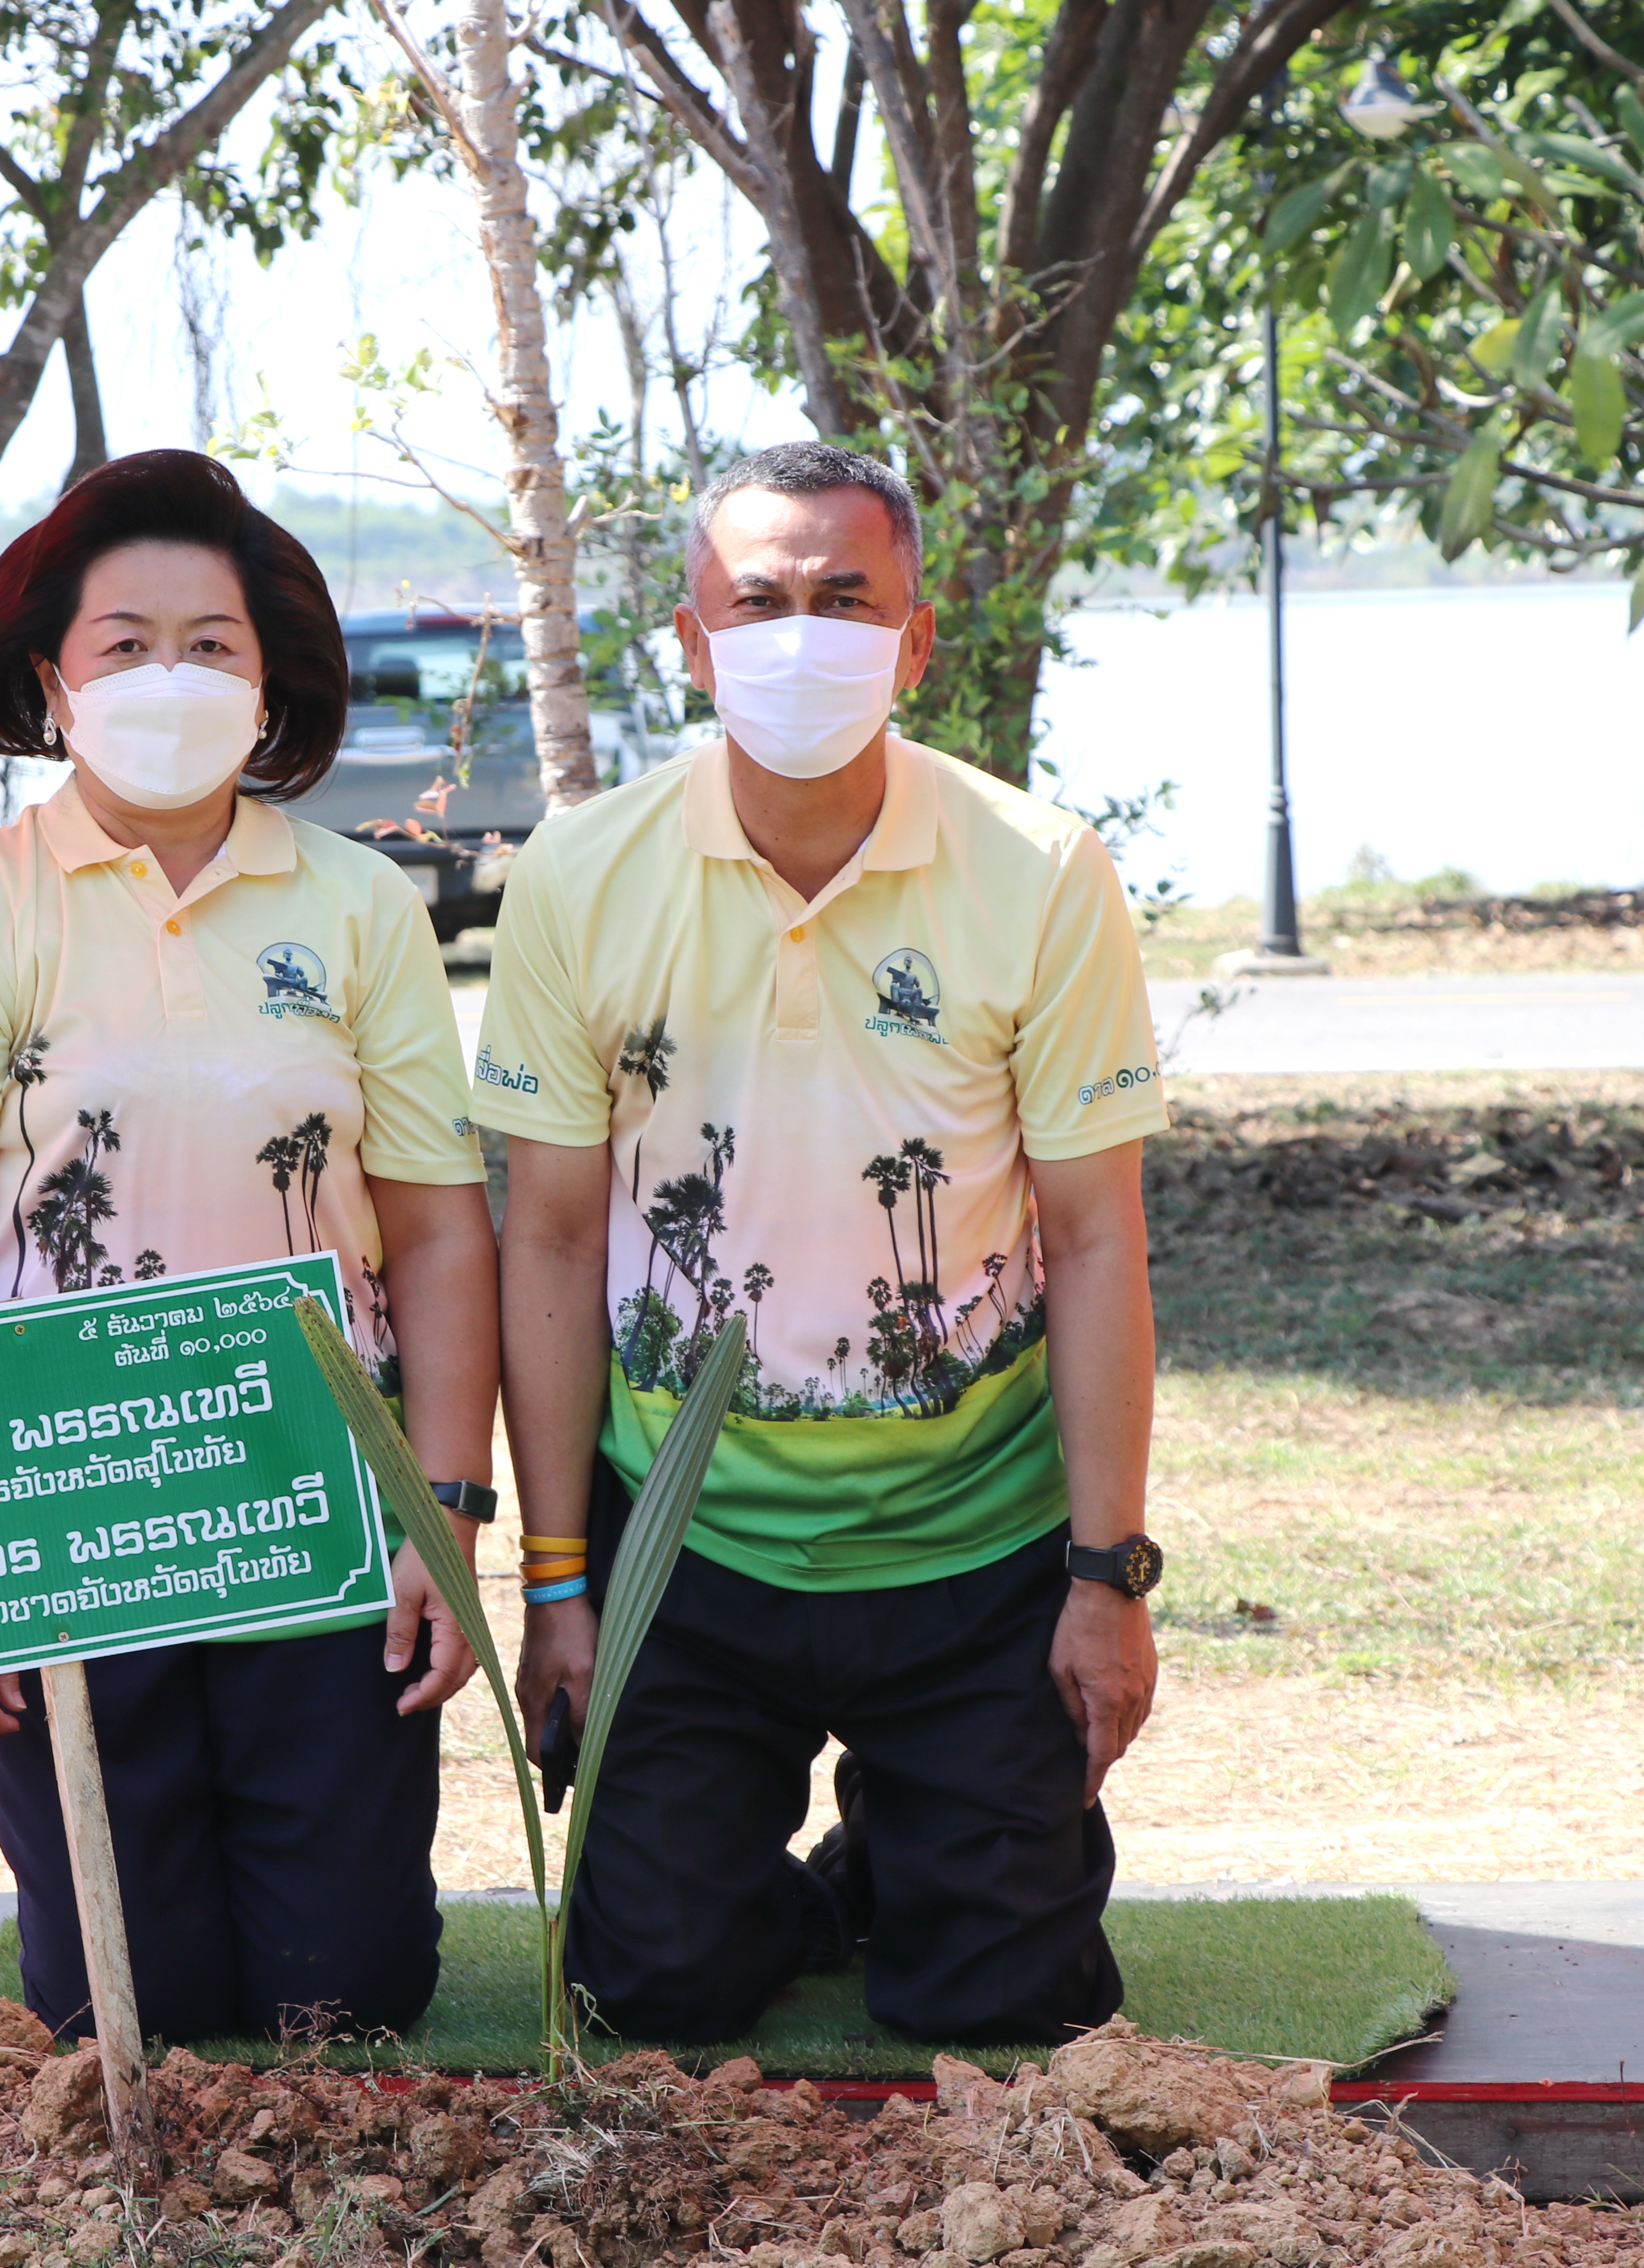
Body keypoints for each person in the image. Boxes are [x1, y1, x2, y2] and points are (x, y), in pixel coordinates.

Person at [470, 439, 1166, 2045]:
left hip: (976, 1545)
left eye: (847, 600)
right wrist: (562, 1585)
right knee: (655, 1985)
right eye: (760, 601)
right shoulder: (582, 870)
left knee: (1004, 2002)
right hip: (684, 1544)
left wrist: (1106, 1577)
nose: (803, 636)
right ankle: (842, 1873)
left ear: (915, 641)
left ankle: (943, 1846)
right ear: (692, 638)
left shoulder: (1040, 871)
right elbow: (555, 1242)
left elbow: (1098, 1243)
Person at [0, 449, 501, 2045]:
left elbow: (439, 1236)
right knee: (124, 2009)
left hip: (320, 1505)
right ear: (48, 682)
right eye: (124, 643)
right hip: (70, 1509)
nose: (168, 677)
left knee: (346, 1998)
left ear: (268, 687)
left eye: (211, 645)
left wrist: (446, 1512)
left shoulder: (357, 907)